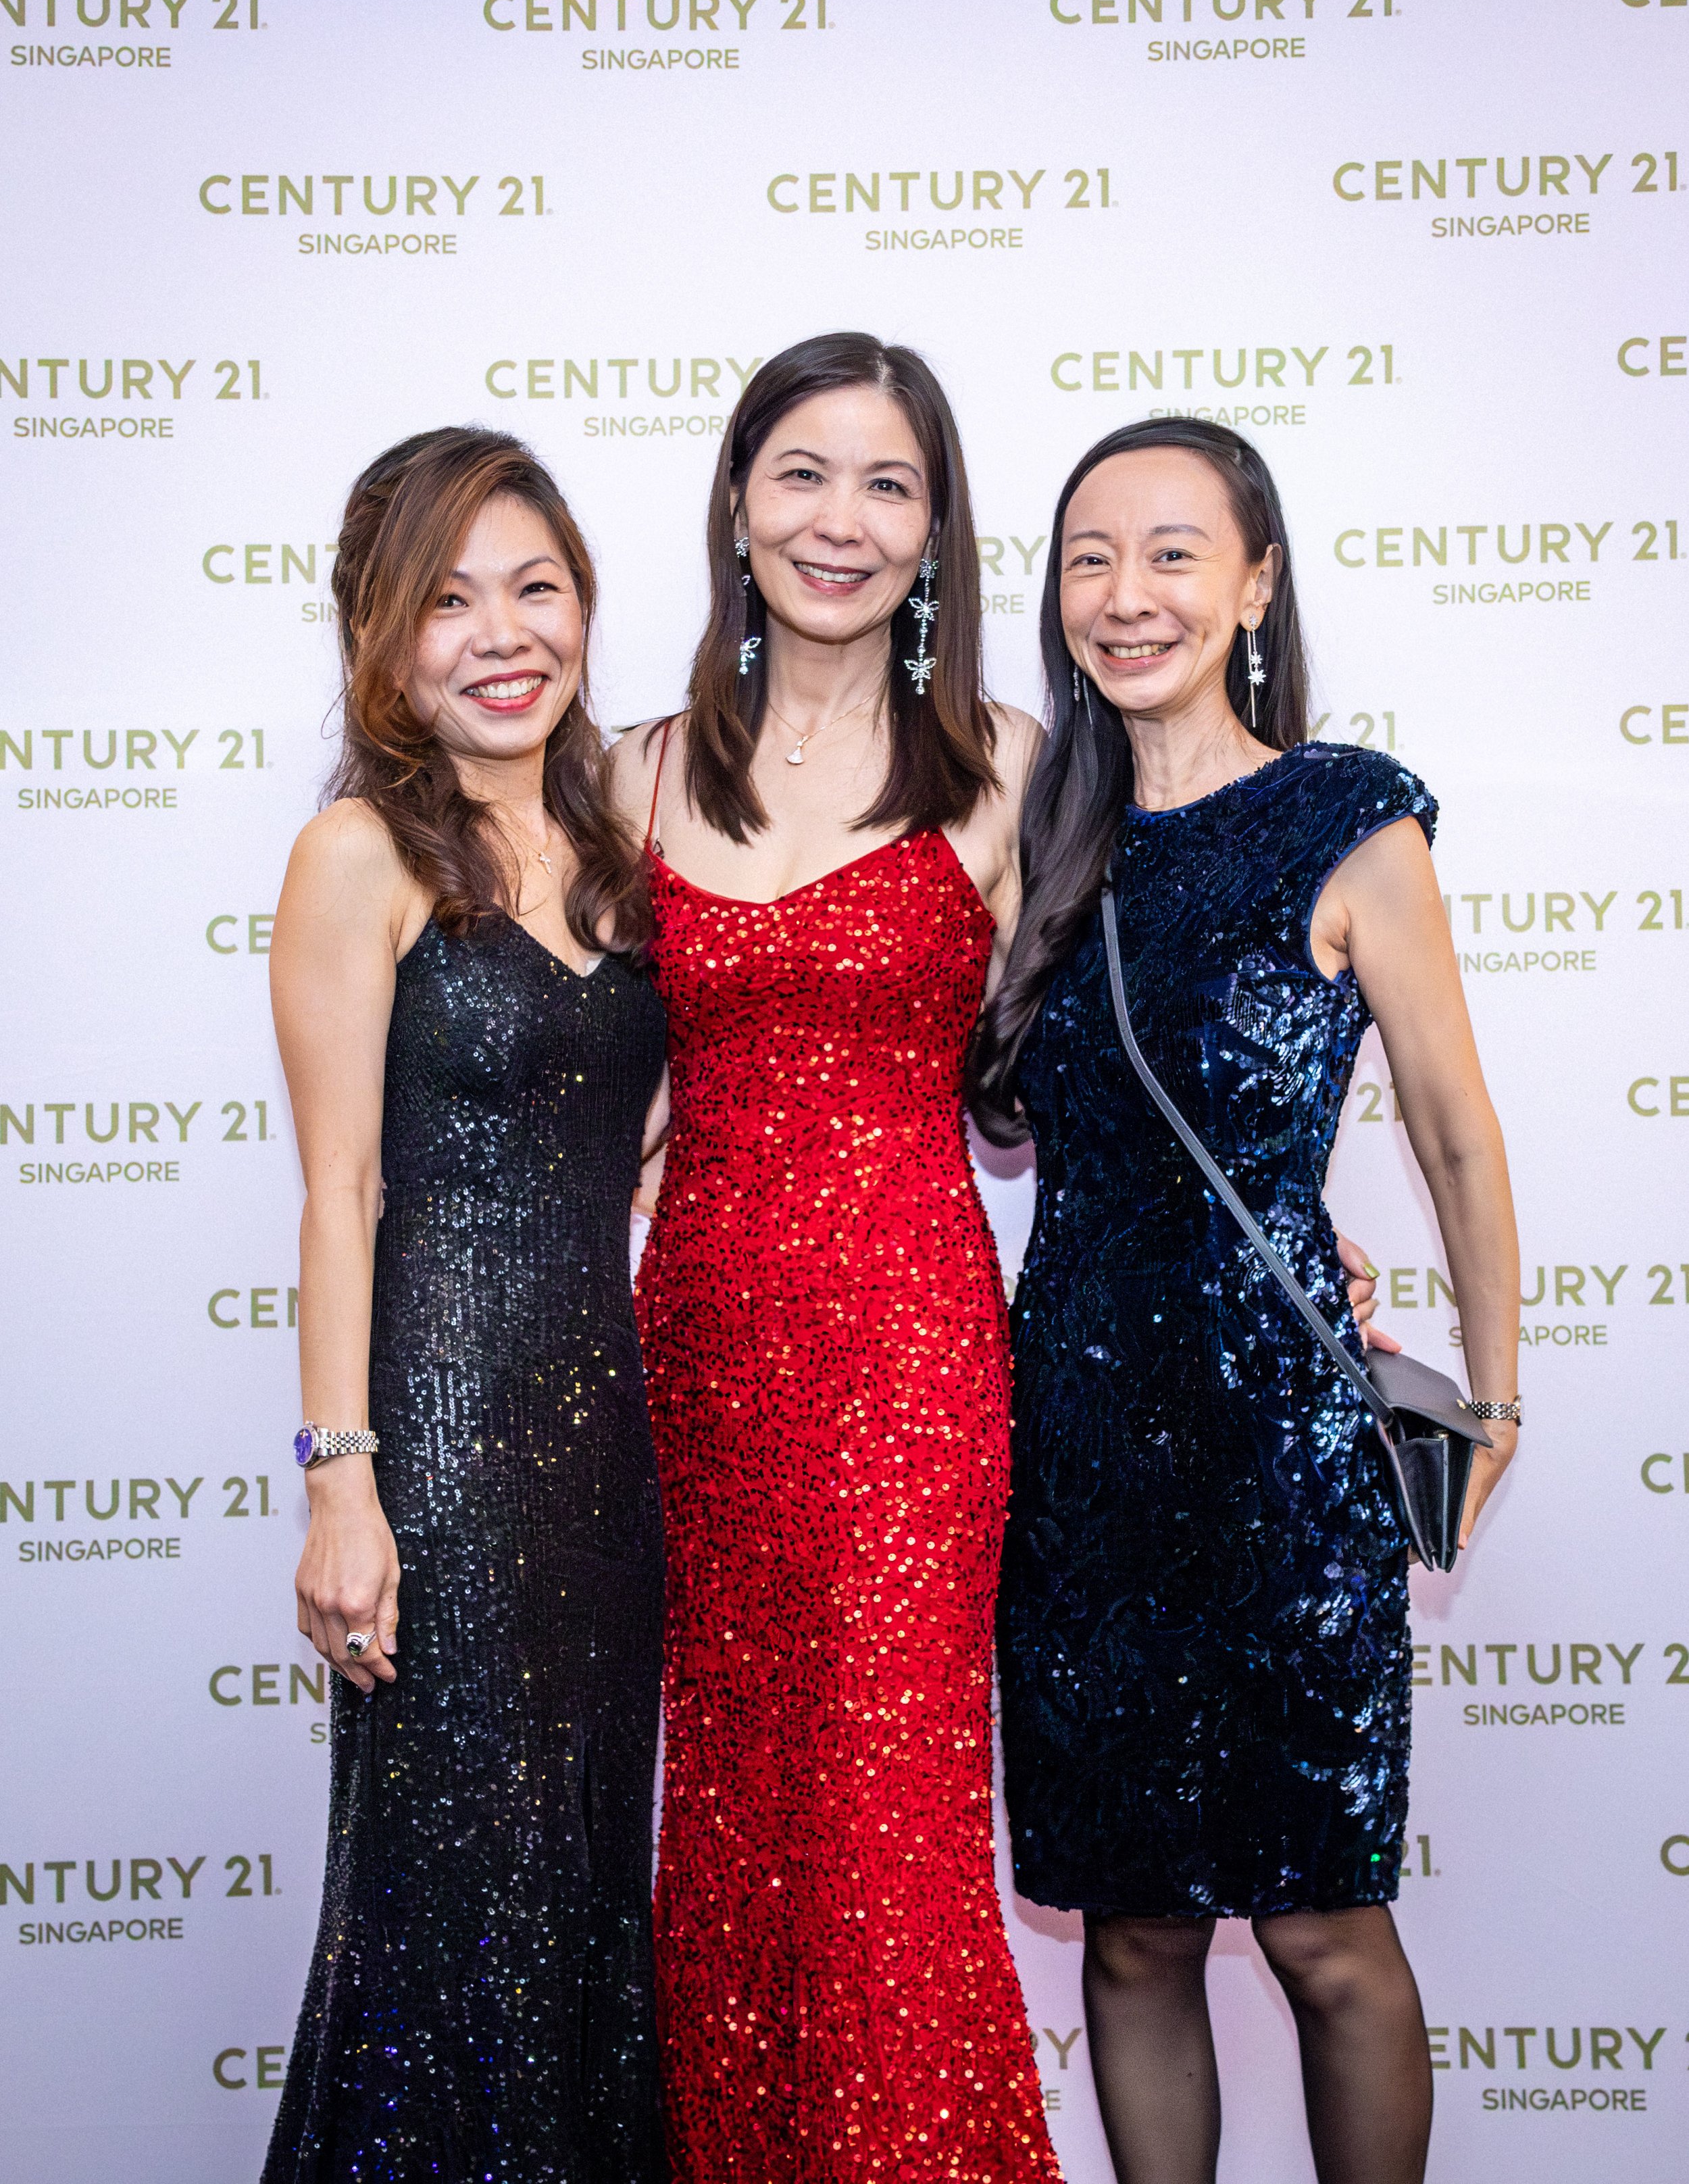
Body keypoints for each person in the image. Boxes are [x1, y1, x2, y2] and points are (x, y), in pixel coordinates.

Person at [972, 419, 1521, 2184]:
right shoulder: (1032, 843)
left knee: (1321, 1931)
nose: (1126, 596)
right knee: (1132, 1930)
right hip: (1074, 1455)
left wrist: (1493, 1397)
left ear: (1256, 583)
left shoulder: (1344, 816)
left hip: (1281, 1459)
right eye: (1089, 559)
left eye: (1173, 553)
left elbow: (1452, 1131)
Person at [609, 332, 1061, 2180]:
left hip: (910, 1363)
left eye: (888, 484)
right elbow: (584, 1093)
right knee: (728, 1816)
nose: (840, 521)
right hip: (698, 1362)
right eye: (802, 473)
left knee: (888, 1827)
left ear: (936, 529)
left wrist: (1287, 1217)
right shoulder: (630, 775)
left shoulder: (1010, 767)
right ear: (736, 502)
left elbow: (1098, 1069)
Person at [263, 428, 668, 2183]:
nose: (503, 635)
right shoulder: (360, 853)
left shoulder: (624, 840)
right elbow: (337, 1192)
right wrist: (340, 1484)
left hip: (610, 1469)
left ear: (584, 605)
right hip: (435, 1462)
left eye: (536, 587)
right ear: (382, 633)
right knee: (445, 1923)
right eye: (448, 600)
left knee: (581, 1899)